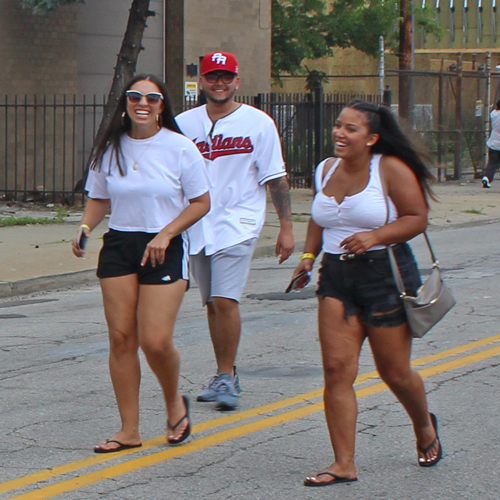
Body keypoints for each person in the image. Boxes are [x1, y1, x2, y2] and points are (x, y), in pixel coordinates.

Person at [291, 100, 442, 486]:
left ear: (372, 138)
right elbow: (319, 216)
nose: (340, 133)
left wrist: (375, 235)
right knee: (336, 370)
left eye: (351, 129)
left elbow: (416, 217)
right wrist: (309, 256)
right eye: (339, 126)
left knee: (394, 372)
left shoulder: (389, 169)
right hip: (337, 277)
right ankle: (343, 463)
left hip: (385, 275)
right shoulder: (325, 168)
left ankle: (424, 427)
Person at [72, 74, 210, 452]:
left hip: (164, 245)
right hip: (120, 243)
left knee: (155, 340)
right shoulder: (110, 148)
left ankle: (173, 403)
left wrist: (166, 234)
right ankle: (128, 430)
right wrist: (85, 227)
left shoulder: (180, 148)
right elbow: (99, 198)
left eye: (151, 98)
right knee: (120, 338)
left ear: (162, 105)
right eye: (135, 96)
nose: (142, 103)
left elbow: (201, 202)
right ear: (126, 103)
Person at [175, 52, 295, 411]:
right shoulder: (183, 124)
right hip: (196, 226)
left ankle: (226, 376)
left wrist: (286, 227)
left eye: (226, 77)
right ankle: (224, 372)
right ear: (203, 82)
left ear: (237, 81)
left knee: (226, 300)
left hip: (238, 223)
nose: (220, 83)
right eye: (213, 77)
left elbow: (276, 178)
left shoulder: (259, 123)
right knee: (212, 303)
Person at [482, 100, 500, 188]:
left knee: (492, 163)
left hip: (493, 143)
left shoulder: (493, 114)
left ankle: (487, 177)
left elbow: (494, 109)